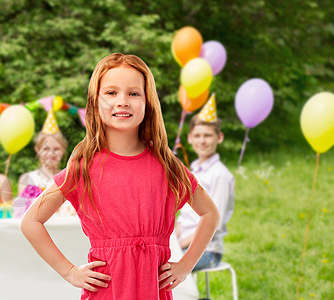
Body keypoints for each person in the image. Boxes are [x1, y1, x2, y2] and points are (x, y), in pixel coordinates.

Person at [21, 53, 220, 299]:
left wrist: (186, 265)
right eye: (111, 93)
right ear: (95, 102)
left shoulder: (167, 166)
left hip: (153, 291)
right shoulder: (83, 167)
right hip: (106, 292)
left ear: (148, 102)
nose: (122, 101)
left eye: (134, 93)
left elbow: (210, 213)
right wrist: (70, 272)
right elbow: (31, 222)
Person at [176, 95, 235, 272]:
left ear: (219, 137)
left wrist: (178, 245)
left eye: (208, 135)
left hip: (206, 251)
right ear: (190, 138)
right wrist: (171, 242)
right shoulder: (193, 172)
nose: (202, 141)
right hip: (183, 246)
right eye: (198, 136)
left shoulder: (220, 175)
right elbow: (184, 217)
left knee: (158, 273)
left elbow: (213, 222)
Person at [15, 110, 75, 217]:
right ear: (38, 150)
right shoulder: (27, 179)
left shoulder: (69, 178)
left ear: (63, 150)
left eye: (56, 149)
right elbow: (19, 213)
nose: (51, 153)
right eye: (46, 149)